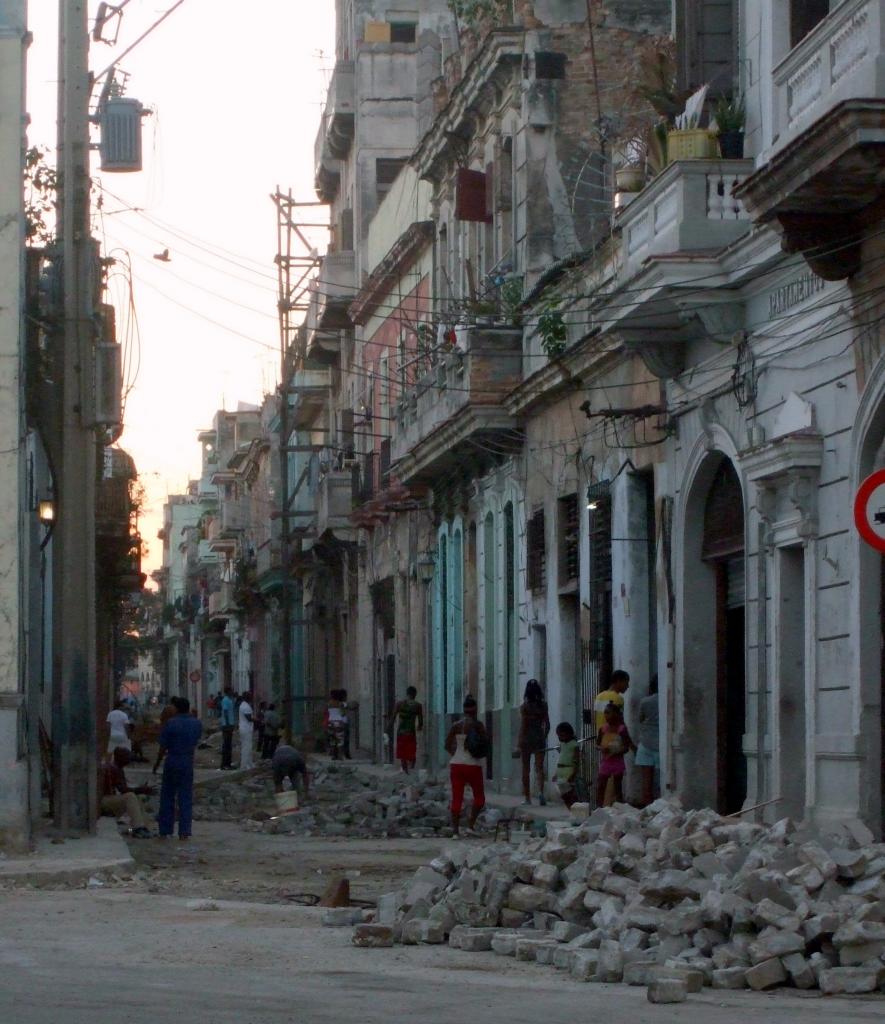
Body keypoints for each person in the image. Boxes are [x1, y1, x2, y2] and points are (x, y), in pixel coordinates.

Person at [153, 696, 202, 840]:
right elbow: (196, 741)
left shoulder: (171, 723)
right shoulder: (196, 724)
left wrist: (157, 764)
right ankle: (184, 832)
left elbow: (163, 746)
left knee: (167, 795)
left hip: (172, 760)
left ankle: (165, 830)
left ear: (176, 708)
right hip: (187, 761)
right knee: (185, 797)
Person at [445, 695, 487, 837]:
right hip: (473, 765)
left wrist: (456, 754)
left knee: (457, 798)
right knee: (479, 798)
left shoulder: (456, 725)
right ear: (475, 710)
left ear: (463, 710)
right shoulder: (478, 725)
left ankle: (455, 831)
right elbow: (486, 744)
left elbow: (447, 745)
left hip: (456, 765)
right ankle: (470, 825)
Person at [99, 747, 153, 838]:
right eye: (127, 757)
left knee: (137, 797)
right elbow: (123, 790)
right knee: (131, 796)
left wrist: (140, 790)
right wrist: (140, 789)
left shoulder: (118, 768)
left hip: (109, 800)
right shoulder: (113, 768)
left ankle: (141, 827)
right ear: (120, 758)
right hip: (104, 801)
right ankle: (138, 828)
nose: (129, 759)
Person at [516, 679, 550, 805]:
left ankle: (527, 798)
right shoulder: (543, 706)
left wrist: (519, 742)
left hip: (526, 740)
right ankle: (541, 793)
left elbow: (523, 726)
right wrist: (543, 736)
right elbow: (548, 724)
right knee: (539, 767)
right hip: (539, 738)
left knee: (526, 769)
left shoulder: (524, 707)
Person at [596, 702, 636, 808]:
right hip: (606, 761)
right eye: (605, 713)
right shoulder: (602, 729)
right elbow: (597, 745)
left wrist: (616, 751)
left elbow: (626, 747)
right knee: (601, 786)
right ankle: (598, 808)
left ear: (616, 714)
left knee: (617, 787)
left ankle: (618, 808)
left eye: (608, 713)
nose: (606, 715)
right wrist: (603, 748)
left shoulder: (621, 729)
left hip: (617, 761)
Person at [636, 675, 660, 807]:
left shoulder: (645, 701)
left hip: (646, 743)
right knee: (662, 781)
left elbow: (641, 718)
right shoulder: (667, 700)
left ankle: (647, 809)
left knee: (647, 781)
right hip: (661, 744)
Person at [390, 686, 423, 773]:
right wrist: (419, 728)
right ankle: (411, 770)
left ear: (407, 694)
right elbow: (420, 723)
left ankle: (405, 772)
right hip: (411, 733)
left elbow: (392, 718)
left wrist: (387, 730)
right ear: (415, 694)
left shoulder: (399, 704)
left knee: (402, 755)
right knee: (412, 753)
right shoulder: (418, 706)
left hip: (401, 733)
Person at [554, 722, 580, 809]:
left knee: (569, 794)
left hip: (568, 771)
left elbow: (576, 761)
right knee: (563, 795)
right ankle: (571, 810)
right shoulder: (562, 744)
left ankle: (575, 810)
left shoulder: (574, 744)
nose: (560, 737)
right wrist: (555, 774)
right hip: (560, 770)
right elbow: (561, 758)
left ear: (568, 733)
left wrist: (573, 773)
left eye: (562, 735)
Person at [219, 686, 236, 770]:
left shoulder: (230, 700)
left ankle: (228, 763)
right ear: (228, 691)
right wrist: (228, 723)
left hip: (230, 724)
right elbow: (225, 712)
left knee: (228, 745)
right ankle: (224, 764)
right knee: (226, 745)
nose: (233, 692)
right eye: (231, 690)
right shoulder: (225, 700)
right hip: (227, 725)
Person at [238, 690, 255, 770]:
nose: (251, 697)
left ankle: (249, 763)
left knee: (248, 746)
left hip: (245, 728)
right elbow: (249, 718)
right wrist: (258, 720)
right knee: (246, 747)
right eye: (250, 696)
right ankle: (244, 765)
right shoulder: (245, 706)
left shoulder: (245, 705)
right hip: (246, 729)